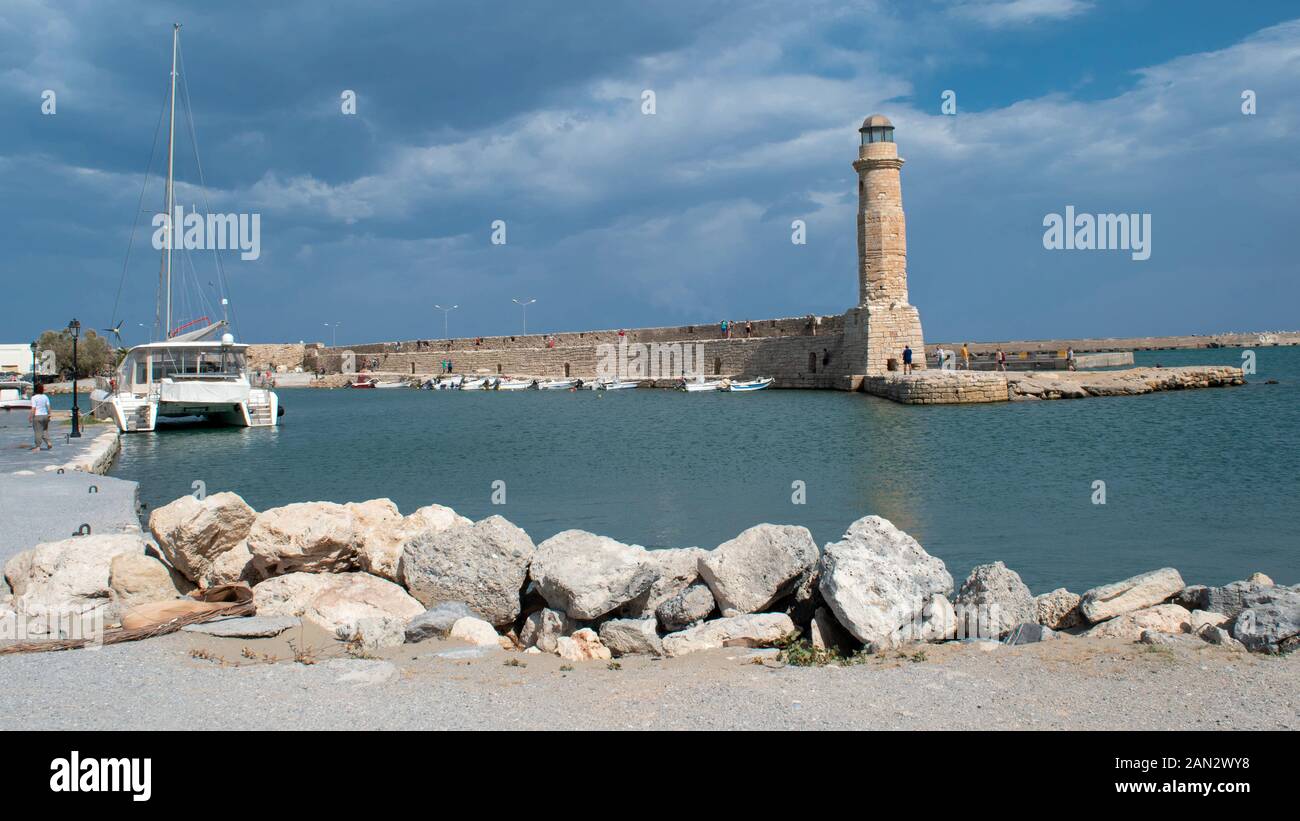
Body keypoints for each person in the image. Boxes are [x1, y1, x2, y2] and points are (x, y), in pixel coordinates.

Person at [29, 383, 51, 451]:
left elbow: (33, 408)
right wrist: (49, 414)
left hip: (38, 416)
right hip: (45, 415)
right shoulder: (45, 396)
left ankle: (38, 446)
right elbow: (48, 406)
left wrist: (30, 416)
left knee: (38, 431)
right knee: (44, 430)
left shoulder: (34, 397)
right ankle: (48, 442)